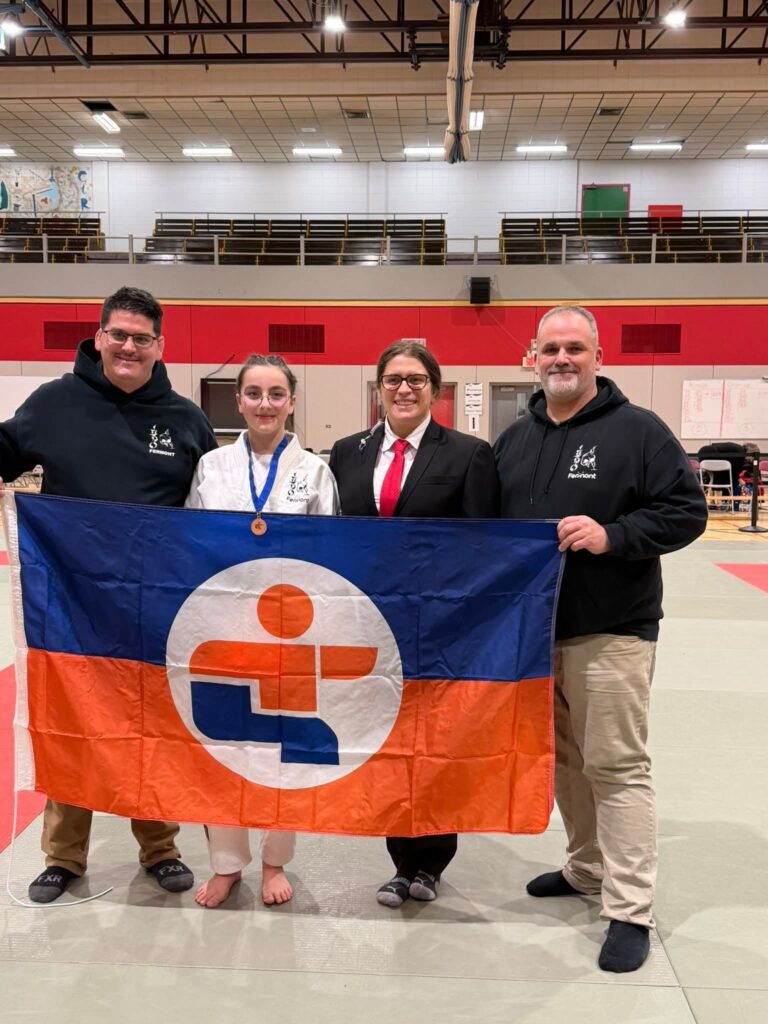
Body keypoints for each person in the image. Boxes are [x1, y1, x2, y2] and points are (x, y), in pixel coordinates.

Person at [494, 305, 707, 973]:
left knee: (615, 766)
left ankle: (629, 908)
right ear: (532, 357)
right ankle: (586, 869)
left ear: (598, 356)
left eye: (574, 348)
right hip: (536, 634)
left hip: (612, 630)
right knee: (563, 762)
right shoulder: (514, 440)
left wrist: (613, 535)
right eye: (550, 348)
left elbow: (686, 511)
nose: (561, 358)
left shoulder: (639, 431)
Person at [0, 285, 217, 903]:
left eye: (141, 337)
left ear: (158, 346)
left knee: (152, 726)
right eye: (118, 334)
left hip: (156, 609)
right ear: (99, 338)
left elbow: (214, 505)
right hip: (70, 604)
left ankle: (160, 847)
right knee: (75, 723)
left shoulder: (184, 420)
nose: (128, 346)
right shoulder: (53, 404)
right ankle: (63, 857)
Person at [329, 340, 498, 908]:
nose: (404, 388)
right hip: (369, 629)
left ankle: (431, 861)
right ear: (378, 388)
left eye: (416, 379)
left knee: (435, 745)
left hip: (439, 628)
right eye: (393, 379)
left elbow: (482, 548)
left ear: (435, 388)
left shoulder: (468, 455)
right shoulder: (346, 452)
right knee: (387, 744)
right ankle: (401, 861)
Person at [186, 353, 339, 909]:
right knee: (222, 749)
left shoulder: (314, 471)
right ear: (238, 401)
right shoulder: (211, 467)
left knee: (284, 752)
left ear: (292, 402)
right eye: (254, 393)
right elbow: (192, 542)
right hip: (223, 627)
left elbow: (331, 553)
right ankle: (227, 864)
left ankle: (276, 861)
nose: (265, 404)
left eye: (276, 394)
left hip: (293, 628)